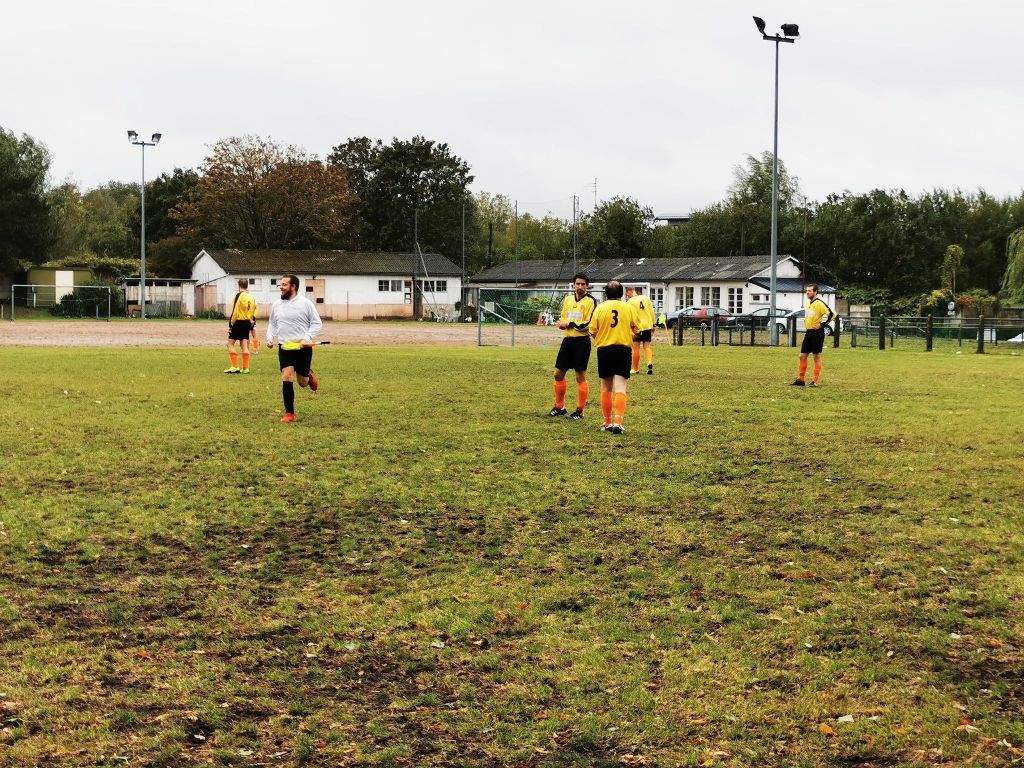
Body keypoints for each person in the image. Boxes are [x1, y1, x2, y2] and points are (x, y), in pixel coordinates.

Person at [266, 274, 323, 422]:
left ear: (293, 287)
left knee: (302, 383)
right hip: (285, 347)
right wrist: (270, 338)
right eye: (280, 285)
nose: (281, 287)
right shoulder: (277, 305)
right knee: (287, 376)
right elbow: (272, 324)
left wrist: (306, 338)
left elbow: (317, 323)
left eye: (284, 285)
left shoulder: (306, 304)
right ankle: (289, 413)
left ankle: (308, 376)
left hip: (303, 348)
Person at [589, 280, 639, 434]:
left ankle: (606, 423)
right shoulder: (628, 307)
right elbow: (637, 330)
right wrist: (626, 334)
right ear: (621, 293)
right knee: (620, 387)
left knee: (606, 388)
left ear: (606, 293)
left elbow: (592, 330)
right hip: (623, 350)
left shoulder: (600, 308)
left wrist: (602, 337)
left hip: (604, 350)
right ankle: (618, 422)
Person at [548, 273, 598, 420]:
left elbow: (588, 323)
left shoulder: (591, 301)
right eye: (578, 284)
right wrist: (562, 325)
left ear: (587, 286)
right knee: (558, 374)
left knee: (580, 376)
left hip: (581, 342)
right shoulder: (568, 300)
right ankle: (559, 407)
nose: (580, 286)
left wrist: (569, 324)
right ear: (573, 285)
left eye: (583, 284)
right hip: (568, 341)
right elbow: (563, 317)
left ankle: (580, 411)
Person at [791, 284, 835, 387]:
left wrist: (821, 324)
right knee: (802, 356)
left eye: (810, 291)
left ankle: (815, 382)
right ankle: (801, 380)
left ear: (815, 292)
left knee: (816, 356)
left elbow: (832, 314)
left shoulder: (820, 303)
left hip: (817, 334)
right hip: (809, 332)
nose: (807, 292)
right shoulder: (808, 303)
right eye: (807, 291)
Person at [225, 278, 258, 374]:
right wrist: (252, 320)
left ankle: (235, 366)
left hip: (238, 321)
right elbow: (255, 310)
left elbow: (235, 312)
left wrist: (231, 325)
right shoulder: (251, 297)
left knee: (230, 344)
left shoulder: (238, 296)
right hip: (247, 322)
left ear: (239, 286)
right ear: (247, 285)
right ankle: (245, 368)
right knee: (244, 345)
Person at [625, 285, 656, 375]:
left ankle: (635, 369)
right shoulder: (646, 298)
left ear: (629, 292)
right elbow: (651, 312)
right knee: (647, 346)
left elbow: (629, 316)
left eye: (627, 295)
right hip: (647, 325)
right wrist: (653, 324)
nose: (627, 296)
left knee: (636, 348)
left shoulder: (629, 302)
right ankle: (649, 363)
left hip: (637, 327)